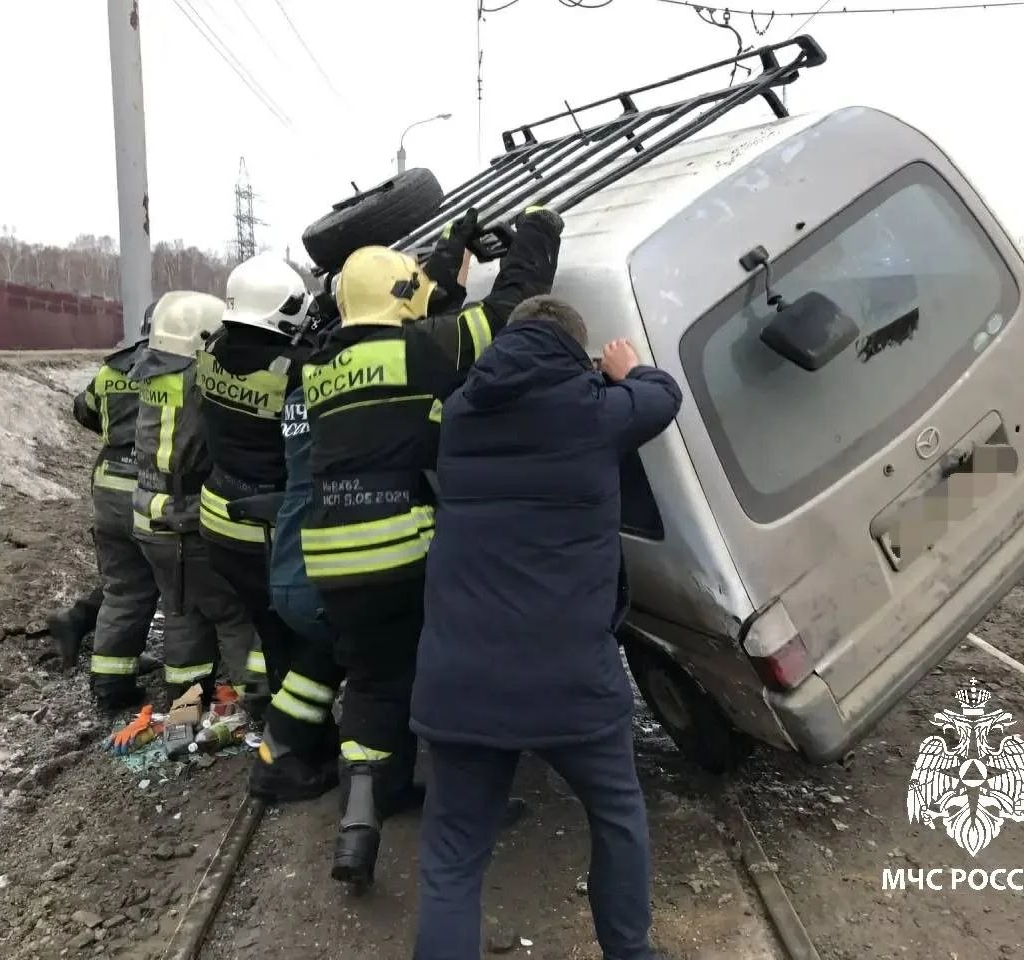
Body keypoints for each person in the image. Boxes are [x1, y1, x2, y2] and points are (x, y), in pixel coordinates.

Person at [410, 296, 682, 960]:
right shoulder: (594, 410)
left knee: (452, 860)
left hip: (462, 678)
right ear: (575, 351)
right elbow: (663, 396)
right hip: (569, 679)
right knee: (617, 816)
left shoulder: (461, 412)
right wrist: (625, 370)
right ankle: (630, 952)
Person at [300, 205, 564, 888]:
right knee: (452, 676)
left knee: (374, 680)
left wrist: (450, 250)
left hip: (333, 557)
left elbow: (413, 306)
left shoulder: (321, 366)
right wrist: (538, 232)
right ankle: (468, 807)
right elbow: (509, 312)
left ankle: (363, 819)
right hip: (407, 552)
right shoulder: (422, 351)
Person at [196, 253, 344, 801]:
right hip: (269, 527)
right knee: (319, 635)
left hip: (220, 522)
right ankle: (287, 753)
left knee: (276, 628)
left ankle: (308, 739)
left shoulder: (209, 351)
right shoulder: (297, 369)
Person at [130, 291, 257, 705]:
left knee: (181, 609)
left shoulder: (151, 370)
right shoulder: (199, 379)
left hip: (149, 518)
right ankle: (254, 698)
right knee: (231, 611)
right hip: (187, 518)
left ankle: (186, 695)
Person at [60, 303, 161, 706]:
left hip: (108, 484)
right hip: (152, 486)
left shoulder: (112, 370)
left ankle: (110, 683)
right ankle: (188, 676)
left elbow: (83, 409)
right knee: (181, 587)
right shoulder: (181, 371)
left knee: (124, 587)